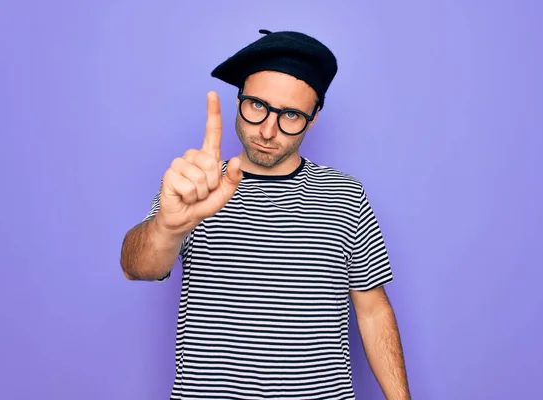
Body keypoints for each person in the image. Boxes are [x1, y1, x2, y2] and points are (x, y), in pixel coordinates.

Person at [120, 28, 411, 400]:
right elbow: (137, 267)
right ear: (239, 97)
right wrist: (168, 225)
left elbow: (373, 310)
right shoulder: (195, 186)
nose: (268, 130)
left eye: (290, 114)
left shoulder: (345, 194)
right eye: (257, 105)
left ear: (314, 116)